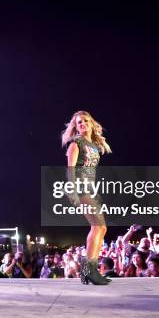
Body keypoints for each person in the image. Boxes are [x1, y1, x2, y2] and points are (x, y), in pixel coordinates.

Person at [62, 110, 112, 285]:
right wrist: (72, 191)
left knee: (102, 228)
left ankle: (87, 271)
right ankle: (89, 270)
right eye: (78, 122)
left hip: (91, 188)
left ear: (91, 123)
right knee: (97, 226)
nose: (82, 124)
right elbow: (70, 169)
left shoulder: (94, 145)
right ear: (76, 127)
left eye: (85, 121)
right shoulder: (76, 144)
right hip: (81, 188)